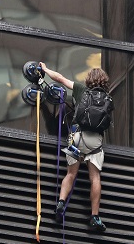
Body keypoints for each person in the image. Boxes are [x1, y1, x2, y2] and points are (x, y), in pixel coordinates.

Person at [39, 62, 109, 232]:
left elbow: (60, 79)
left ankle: (61, 204)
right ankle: (94, 217)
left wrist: (46, 70)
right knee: (95, 178)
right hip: (95, 143)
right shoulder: (106, 97)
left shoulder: (80, 89)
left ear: (89, 80)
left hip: (76, 138)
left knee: (71, 173)